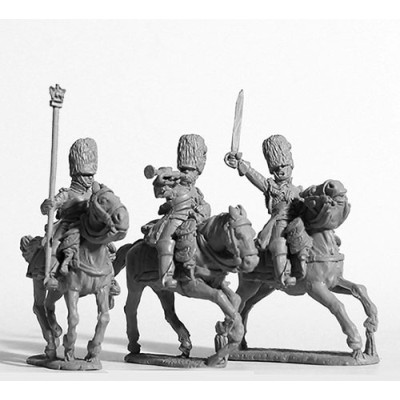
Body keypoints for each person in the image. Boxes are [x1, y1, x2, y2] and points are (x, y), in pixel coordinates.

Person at [225, 134, 310, 287]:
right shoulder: (271, 187)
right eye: (277, 168)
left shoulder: (298, 190)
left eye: (284, 166)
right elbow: (256, 177)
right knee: (279, 243)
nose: (281, 170)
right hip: (279, 223)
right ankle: (283, 275)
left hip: (298, 223)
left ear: (290, 165)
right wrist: (240, 163)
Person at [145, 134, 211, 289]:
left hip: (194, 219)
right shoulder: (174, 185)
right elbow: (159, 193)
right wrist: (160, 180)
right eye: (187, 171)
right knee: (166, 240)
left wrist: (202, 210)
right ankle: (166, 276)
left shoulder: (196, 191)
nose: (190, 175)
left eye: (193, 172)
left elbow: (203, 204)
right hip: (175, 217)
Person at [40, 138, 98, 290]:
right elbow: (49, 206)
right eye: (86, 175)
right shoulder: (67, 193)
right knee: (54, 245)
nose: (90, 179)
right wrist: (49, 205)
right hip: (68, 225)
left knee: (108, 248)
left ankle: (107, 279)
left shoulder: (94, 193)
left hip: (88, 225)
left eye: (91, 175)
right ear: (77, 175)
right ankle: (52, 275)